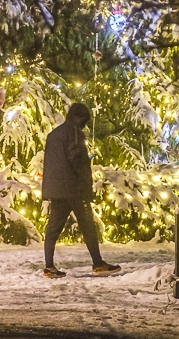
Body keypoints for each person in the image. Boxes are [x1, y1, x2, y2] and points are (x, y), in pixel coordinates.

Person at [41, 102, 121, 278]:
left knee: (53, 228)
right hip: (73, 189)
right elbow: (75, 159)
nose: (84, 124)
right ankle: (98, 264)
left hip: (57, 190)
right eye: (84, 120)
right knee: (88, 226)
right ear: (79, 118)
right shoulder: (74, 133)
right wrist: (86, 166)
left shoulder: (54, 135)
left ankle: (49, 267)